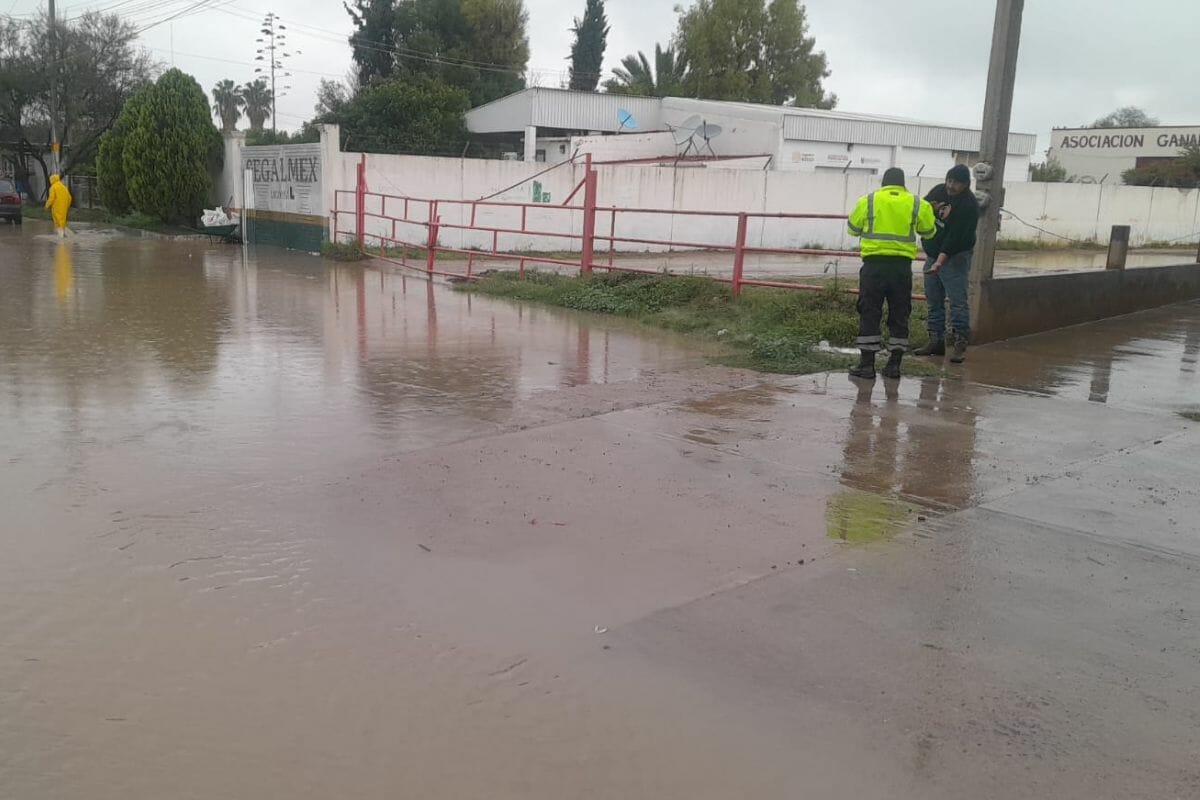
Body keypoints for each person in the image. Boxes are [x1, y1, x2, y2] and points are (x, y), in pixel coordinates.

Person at [846, 167, 937, 380]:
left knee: (870, 311)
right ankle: (894, 365)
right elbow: (929, 232)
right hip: (901, 268)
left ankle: (867, 365)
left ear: (883, 183)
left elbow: (852, 229)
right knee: (899, 312)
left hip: (873, 266)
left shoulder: (868, 201)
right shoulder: (917, 203)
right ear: (903, 183)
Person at [914, 164, 979, 363]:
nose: (951, 186)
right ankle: (936, 340)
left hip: (956, 256)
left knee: (957, 301)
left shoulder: (968, 204)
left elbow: (955, 237)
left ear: (966, 185)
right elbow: (923, 209)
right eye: (949, 180)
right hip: (934, 253)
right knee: (933, 298)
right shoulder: (938, 191)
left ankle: (959, 344)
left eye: (956, 183)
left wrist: (940, 261)